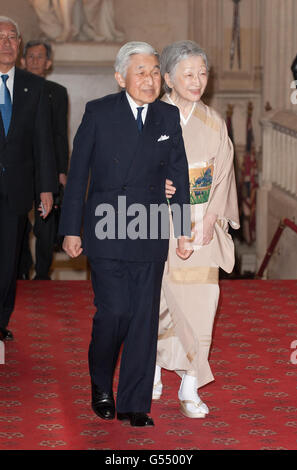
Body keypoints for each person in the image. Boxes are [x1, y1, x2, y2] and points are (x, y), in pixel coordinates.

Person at [59, 41, 192, 427]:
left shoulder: (167, 116)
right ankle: (101, 384)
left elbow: (179, 173)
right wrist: (71, 229)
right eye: (141, 72)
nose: (150, 80)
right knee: (115, 311)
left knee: (144, 318)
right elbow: (79, 172)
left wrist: (181, 229)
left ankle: (135, 403)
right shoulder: (99, 112)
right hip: (107, 224)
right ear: (120, 77)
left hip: (149, 227)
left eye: (154, 72)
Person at [153, 40, 240, 418]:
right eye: (188, 74)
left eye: (202, 73)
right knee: (158, 306)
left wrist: (207, 223)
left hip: (202, 226)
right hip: (157, 226)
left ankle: (190, 384)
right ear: (168, 77)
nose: (197, 81)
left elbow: (223, 179)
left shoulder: (214, 123)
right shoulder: (150, 118)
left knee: (202, 306)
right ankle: (152, 367)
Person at [0, 17, 57, 341]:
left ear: (19, 45)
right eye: (1, 37)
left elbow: (43, 141)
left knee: (8, 262)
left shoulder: (32, 86)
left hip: (17, 189)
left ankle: (1, 320)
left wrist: (46, 188)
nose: (7, 43)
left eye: (12, 37)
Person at [18, 40, 69, 280]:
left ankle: (42, 274)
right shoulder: (11, 88)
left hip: (46, 167)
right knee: (17, 221)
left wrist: (61, 169)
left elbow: (60, 133)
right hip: (19, 165)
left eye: (40, 56)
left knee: (45, 224)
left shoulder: (57, 92)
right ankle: (20, 269)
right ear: (22, 60)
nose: (35, 60)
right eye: (31, 56)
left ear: (48, 63)